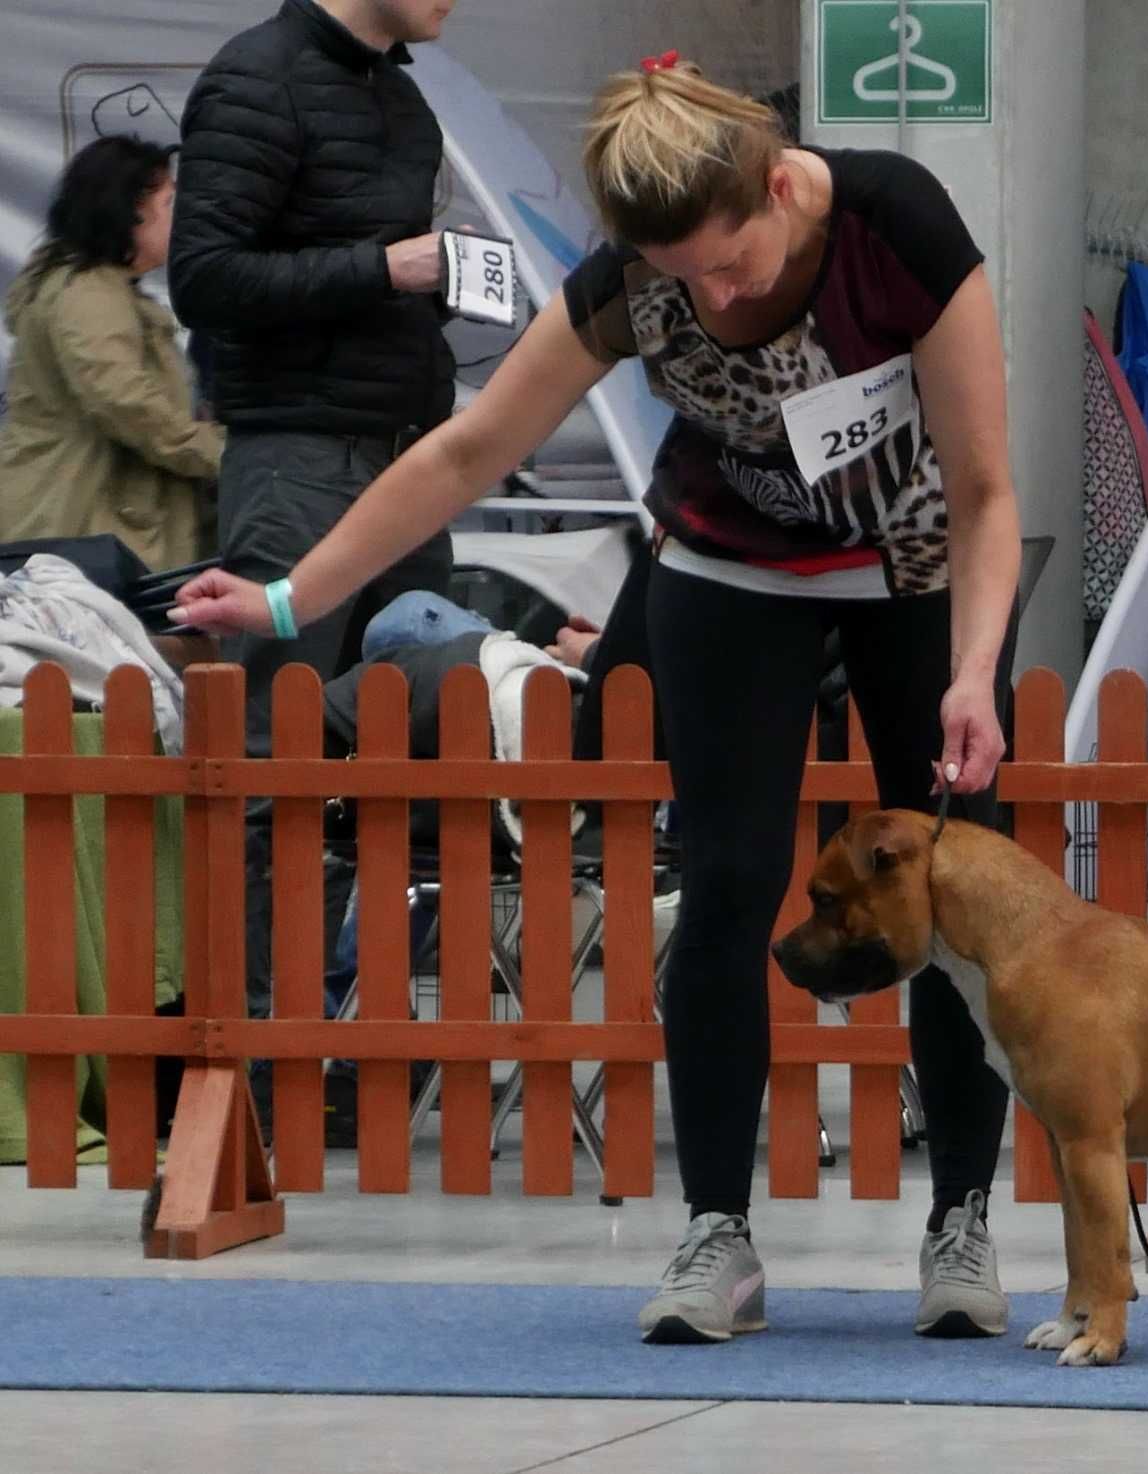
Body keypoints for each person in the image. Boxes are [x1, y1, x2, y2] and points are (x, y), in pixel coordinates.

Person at [171, 56, 1024, 1344]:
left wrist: (972, 669)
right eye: (683, 278)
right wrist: (293, 600)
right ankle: (716, 1233)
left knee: (952, 895)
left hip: (911, 570)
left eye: (729, 263)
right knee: (731, 884)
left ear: (780, 182)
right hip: (727, 571)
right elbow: (466, 449)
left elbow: (984, 490)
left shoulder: (893, 221)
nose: (714, 295)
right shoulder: (630, 283)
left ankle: (960, 1215)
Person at [167, 0, 461, 1033]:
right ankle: (251, 1048)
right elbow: (202, 278)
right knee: (271, 757)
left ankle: (343, 1034)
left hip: (408, 460)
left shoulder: (407, 100)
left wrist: (434, 291)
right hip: (298, 459)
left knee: (401, 757)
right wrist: (384, 267)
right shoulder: (258, 77)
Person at [0, 136, 221, 570]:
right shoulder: (86, 295)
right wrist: (222, 454)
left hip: (89, 522)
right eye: (169, 203)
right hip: (83, 524)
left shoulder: (96, 289)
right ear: (130, 210)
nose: (180, 219)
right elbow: (127, 403)